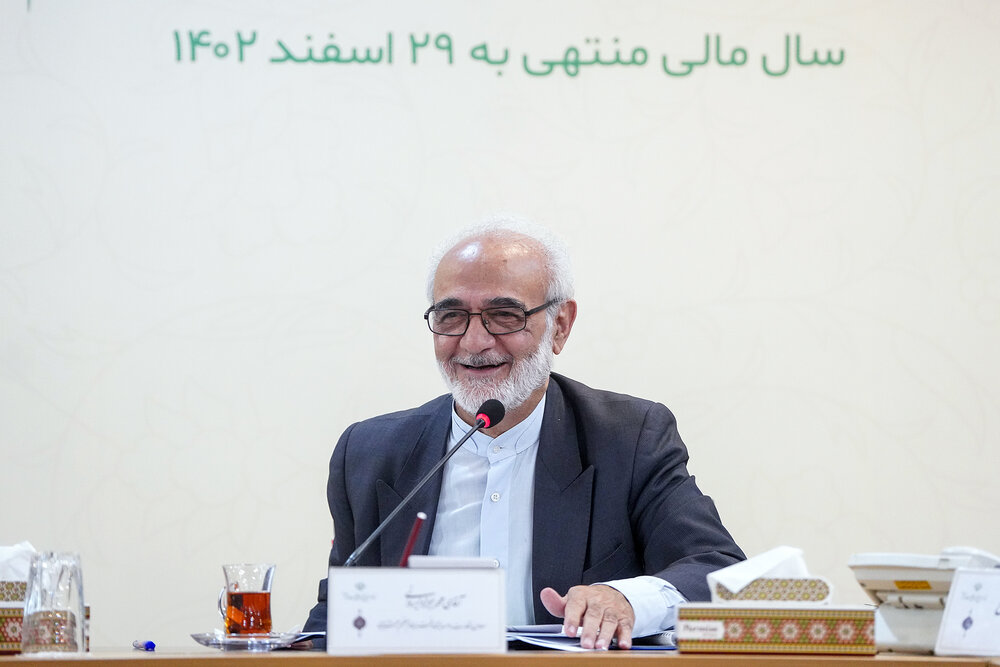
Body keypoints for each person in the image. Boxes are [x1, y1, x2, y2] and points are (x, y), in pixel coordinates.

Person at [304, 215, 744, 650]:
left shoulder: (628, 439)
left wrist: (625, 599)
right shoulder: (370, 454)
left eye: (504, 315)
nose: (474, 342)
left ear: (560, 325)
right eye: (452, 315)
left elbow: (718, 571)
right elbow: (337, 618)